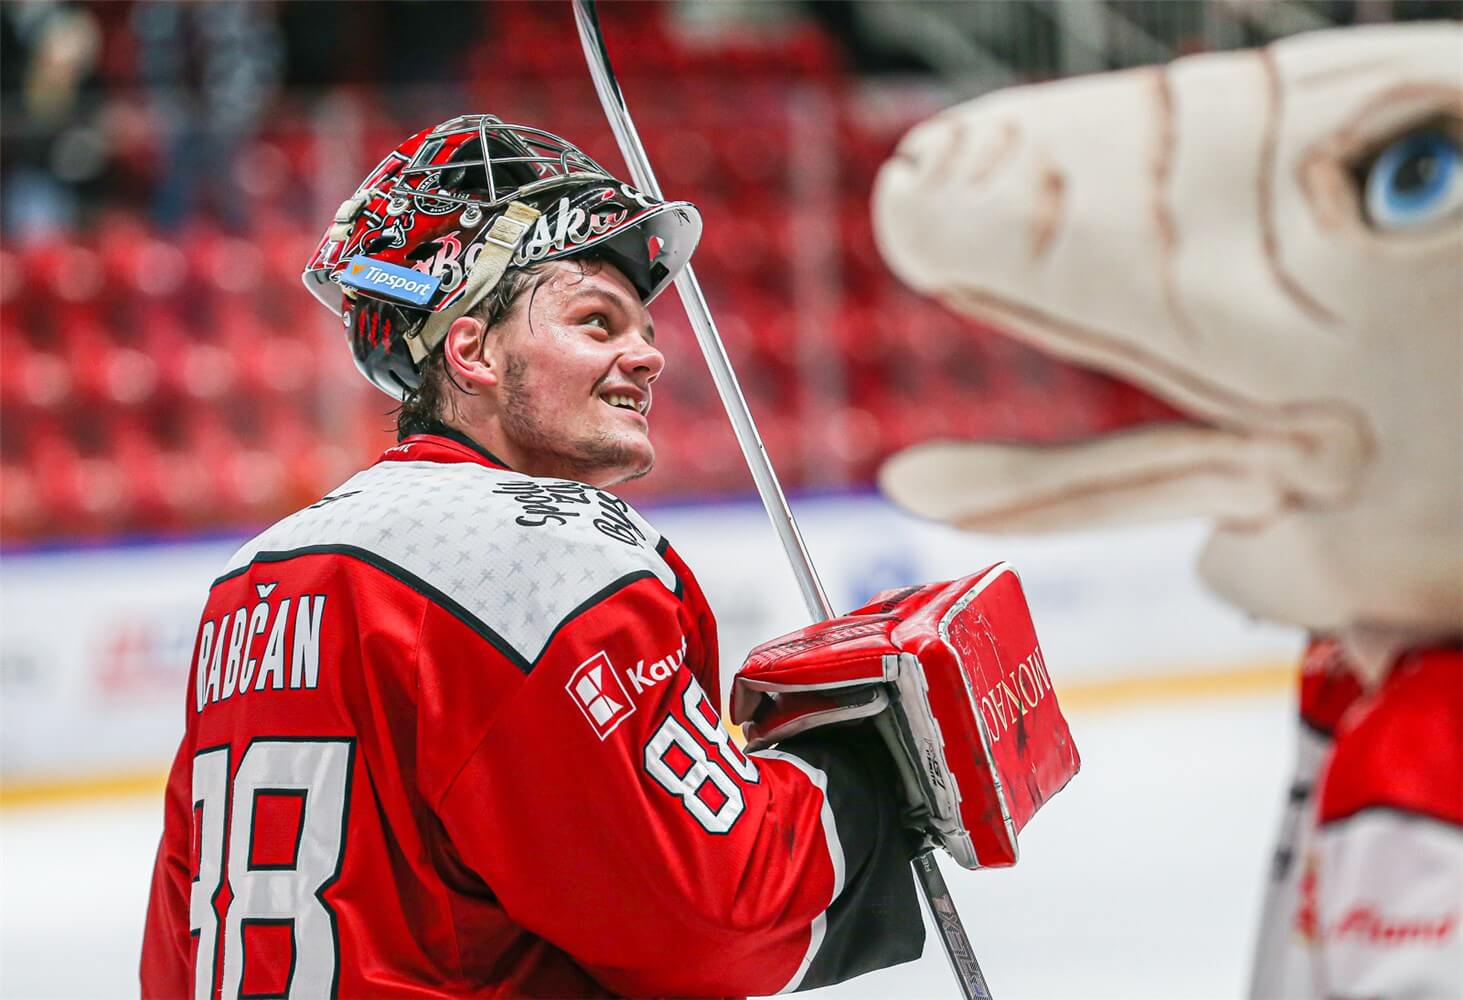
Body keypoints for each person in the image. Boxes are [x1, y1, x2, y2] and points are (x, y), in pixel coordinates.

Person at [140, 114, 925, 998]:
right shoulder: (546, 549)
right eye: (597, 322)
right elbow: (711, 919)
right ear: (472, 352)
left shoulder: (254, 578)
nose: (648, 355)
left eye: (644, 329)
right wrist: (867, 778)